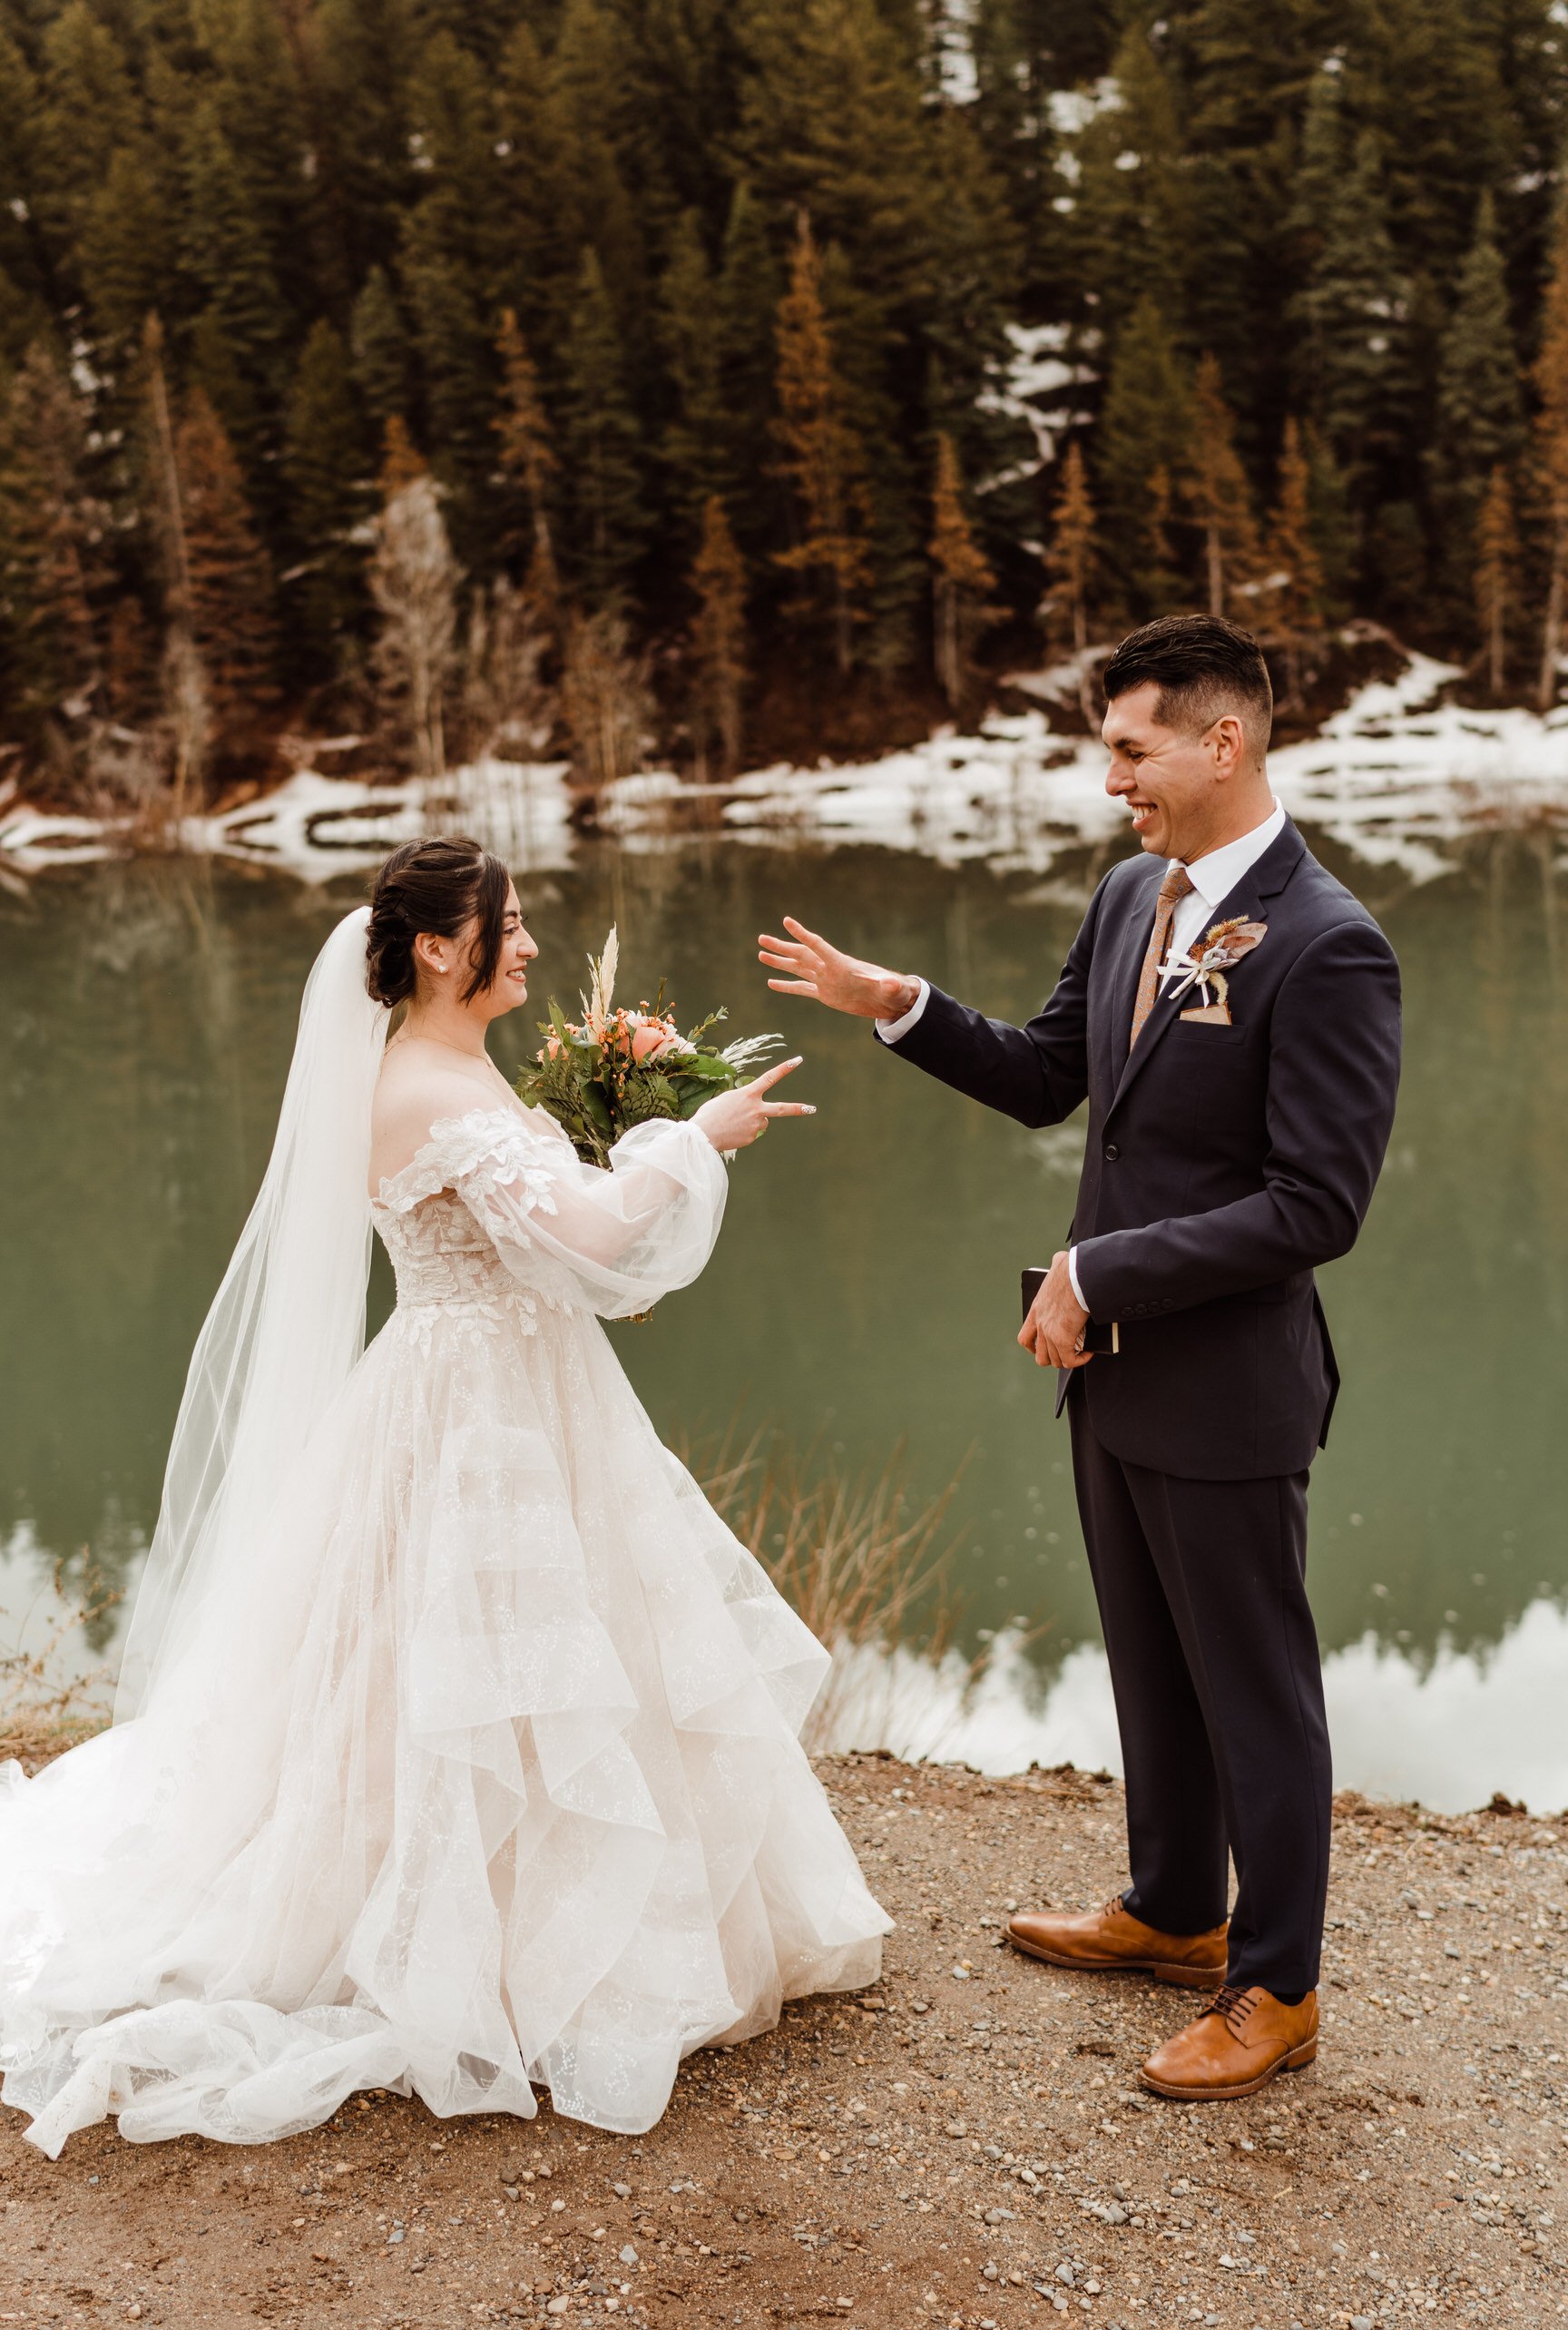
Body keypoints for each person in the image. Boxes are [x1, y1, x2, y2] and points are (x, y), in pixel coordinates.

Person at [0, 836, 888, 2158]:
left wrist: (613, 1138)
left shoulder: (458, 1068)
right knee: (459, 1678)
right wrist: (692, 1140)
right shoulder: (420, 1084)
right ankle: (480, 1954)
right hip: (471, 1413)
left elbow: (551, 1234)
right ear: (434, 945)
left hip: (526, 1387)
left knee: (556, 1664)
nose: (529, 945)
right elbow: (588, 1233)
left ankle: (558, 1914)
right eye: (509, 926)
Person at [759, 614, 1401, 2102]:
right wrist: (898, 1007)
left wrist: (1099, 1268)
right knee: (1152, 1659)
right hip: (1104, 1369)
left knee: (1259, 1690)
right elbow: (1056, 1077)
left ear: (1220, 742)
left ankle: (1278, 1985)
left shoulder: (1331, 943)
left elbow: (1319, 1207)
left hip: (1230, 1382)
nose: (1110, 779)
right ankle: (1175, 1909)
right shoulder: (1130, 898)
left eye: (1132, 747)